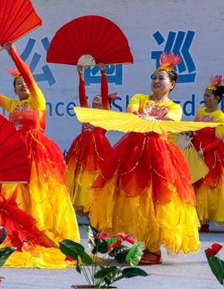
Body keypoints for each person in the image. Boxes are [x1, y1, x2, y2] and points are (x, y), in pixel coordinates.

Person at [85, 52, 200, 265]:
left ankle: (153, 249)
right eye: (154, 77)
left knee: (158, 199)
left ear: (172, 85)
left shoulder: (175, 107)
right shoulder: (139, 98)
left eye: (161, 78)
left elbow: (167, 122)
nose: (156, 81)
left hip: (160, 156)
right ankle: (121, 241)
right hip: (134, 152)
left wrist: (148, 118)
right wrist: (143, 117)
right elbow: (131, 115)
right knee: (129, 195)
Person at [0, 44, 79, 242]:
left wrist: (12, 52)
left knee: (35, 190)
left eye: (24, 81)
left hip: (36, 153)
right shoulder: (13, 105)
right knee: (15, 192)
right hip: (15, 152)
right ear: (14, 90)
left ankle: (37, 228)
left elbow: (28, 75)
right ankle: (18, 227)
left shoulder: (37, 101)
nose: (22, 84)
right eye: (18, 83)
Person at [65, 64, 115, 215]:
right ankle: (83, 203)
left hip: (98, 148)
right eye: (96, 96)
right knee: (80, 174)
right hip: (82, 145)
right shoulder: (86, 111)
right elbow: (82, 96)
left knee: (94, 174)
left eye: (100, 97)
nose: (97, 96)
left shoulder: (106, 113)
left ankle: (95, 203)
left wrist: (103, 74)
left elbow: (104, 92)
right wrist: (81, 76)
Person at [191, 75, 224, 232]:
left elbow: (218, 139)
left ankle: (206, 221)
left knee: (208, 186)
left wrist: (204, 150)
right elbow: (195, 130)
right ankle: (200, 220)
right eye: (204, 95)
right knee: (196, 184)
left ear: (217, 98)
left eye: (208, 96)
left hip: (211, 155)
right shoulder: (200, 111)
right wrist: (189, 135)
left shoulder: (220, 116)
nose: (204, 99)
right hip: (197, 152)